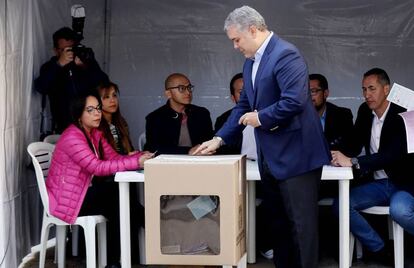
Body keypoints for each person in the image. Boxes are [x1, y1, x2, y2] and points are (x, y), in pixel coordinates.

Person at [194, 6, 331, 268]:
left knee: (302, 231)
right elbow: (243, 105)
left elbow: (295, 101)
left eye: (237, 39)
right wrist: (219, 139)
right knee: (279, 228)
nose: (235, 46)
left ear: (254, 30)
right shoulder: (250, 62)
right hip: (271, 159)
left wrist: (261, 118)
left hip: (297, 157)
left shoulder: (286, 54)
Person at [46, 91, 153, 268]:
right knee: (116, 198)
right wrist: (136, 161)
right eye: (90, 110)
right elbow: (96, 167)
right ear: (79, 114)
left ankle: (115, 260)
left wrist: (140, 156)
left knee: (119, 201)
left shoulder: (94, 134)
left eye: (97, 108)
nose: (97, 113)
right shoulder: (73, 137)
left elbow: (112, 158)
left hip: (83, 192)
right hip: (68, 199)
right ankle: (154, 229)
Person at [331, 68, 411, 265]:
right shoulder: (365, 112)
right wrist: (333, 153)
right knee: (340, 205)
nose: (367, 95)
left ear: (386, 89)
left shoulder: (404, 113)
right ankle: (380, 250)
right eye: (364, 89)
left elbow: (392, 155)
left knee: (400, 210)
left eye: (372, 89)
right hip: (378, 183)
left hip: (403, 182)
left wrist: (354, 161)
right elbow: (353, 143)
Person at [35, 27, 109, 133]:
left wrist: (86, 67)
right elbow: (41, 87)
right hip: (65, 126)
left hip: (92, 124)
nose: (69, 53)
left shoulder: (84, 63)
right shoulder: (50, 67)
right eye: (65, 50)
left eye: (72, 49)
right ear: (56, 51)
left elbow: (105, 84)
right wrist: (59, 64)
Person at [144, 73, 214, 155]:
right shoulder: (155, 118)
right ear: (168, 94)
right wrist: (188, 151)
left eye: (189, 88)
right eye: (182, 88)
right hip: (168, 164)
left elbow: (209, 142)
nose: (188, 92)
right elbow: (153, 148)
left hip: (200, 161)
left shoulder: (202, 113)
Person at [309, 73, 354, 151]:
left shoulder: (343, 115)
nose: (308, 96)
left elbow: (350, 148)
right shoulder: (296, 117)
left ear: (325, 93)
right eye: (305, 92)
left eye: (313, 91)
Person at [214, 73, 244, 154]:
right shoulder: (223, 120)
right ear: (233, 98)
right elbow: (223, 151)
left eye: (251, 90)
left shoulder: (267, 115)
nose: (247, 95)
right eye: (241, 93)